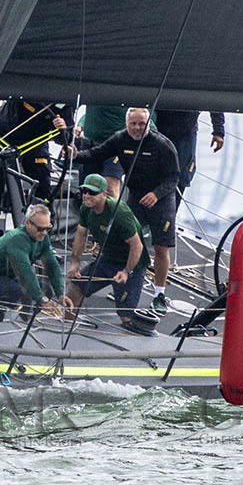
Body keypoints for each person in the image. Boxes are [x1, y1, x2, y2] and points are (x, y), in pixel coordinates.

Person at [77, 108, 179, 313]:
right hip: (136, 196)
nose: (137, 128)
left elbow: (174, 178)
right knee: (123, 239)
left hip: (161, 199)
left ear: (149, 124)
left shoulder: (163, 145)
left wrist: (156, 194)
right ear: (126, 124)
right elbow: (97, 153)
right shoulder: (120, 139)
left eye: (142, 123)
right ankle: (123, 281)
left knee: (160, 248)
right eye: (133, 123)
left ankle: (159, 294)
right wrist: (76, 154)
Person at [63, 174, 150, 327]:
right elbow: (81, 234)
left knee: (126, 316)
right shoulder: (86, 208)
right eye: (84, 191)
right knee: (75, 287)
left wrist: (126, 271)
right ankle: (64, 326)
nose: (87, 196)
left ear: (104, 194)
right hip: (108, 259)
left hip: (131, 264)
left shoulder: (119, 212)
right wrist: (75, 262)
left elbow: (137, 246)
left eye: (93, 192)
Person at [0, 203, 70, 321]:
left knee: (42, 286)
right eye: (40, 229)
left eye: (47, 228)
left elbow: (52, 266)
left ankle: (18, 314)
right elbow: (25, 273)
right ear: (28, 223)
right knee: (17, 290)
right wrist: (42, 300)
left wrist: (60, 294)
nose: (44, 232)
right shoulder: (17, 239)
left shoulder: (42, 237)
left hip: (4, 276)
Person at [0, 99, 71, 230]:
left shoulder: (64, 102)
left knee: (43, 190)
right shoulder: (22, 94)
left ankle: (43, 231)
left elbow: (66, 139)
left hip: (36, 145)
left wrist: (62, 128)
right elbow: (8, 120)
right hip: (3, 139)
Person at [154, 110, 225, 193]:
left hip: (185, 133)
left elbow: (214, 99)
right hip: (159, 128)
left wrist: (218, 131)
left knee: (182, 175)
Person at [74, 103, 129, 200]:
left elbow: (145, 117)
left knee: (110, 186)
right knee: (87, 188)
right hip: (90, 144)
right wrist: (81, 123)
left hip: (115, 148)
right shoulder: (96, 90)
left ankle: (111, 213)